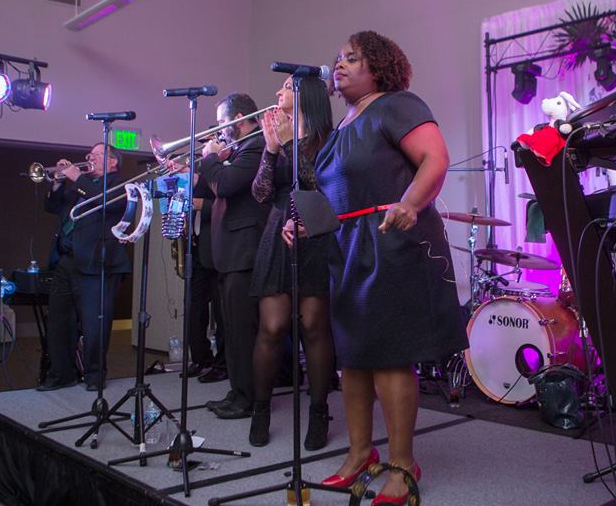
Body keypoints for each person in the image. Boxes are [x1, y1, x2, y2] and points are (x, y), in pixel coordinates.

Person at [286, 31, 468, 506]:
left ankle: (403, 466)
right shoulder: (341, 129)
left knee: (388, 355)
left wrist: (410, 202)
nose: (340, 65)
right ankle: (359, 455)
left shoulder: (398, 105)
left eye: (352, 58)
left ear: (379, 66)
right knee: (354, 357)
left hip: (391, 239)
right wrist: (304, 223)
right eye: (338, 58)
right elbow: (335, 196)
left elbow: (435, 158)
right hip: (346, 248)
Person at [247, 75, 335, 449]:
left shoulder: (327, 139)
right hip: (277, 230)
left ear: (304, 94)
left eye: (285, 86)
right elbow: (261, 193)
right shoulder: (276, 136)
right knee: (272, 326)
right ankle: (260, 410)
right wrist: (270, 151)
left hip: (313, 229)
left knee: (314, 326)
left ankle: (319, 411)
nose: (277, 92)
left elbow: (320, 185)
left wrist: (287, 144)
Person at [198, 93, 270, 419]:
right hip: (230, 252)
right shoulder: (240, 148)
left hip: (245, 251)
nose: (219, 129)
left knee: (244, 331)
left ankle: (248, 398)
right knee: (232, 330)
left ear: (238, 118)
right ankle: (237, 391)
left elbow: (225, 185)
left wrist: (211, 158)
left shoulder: (255, 146)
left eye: (222, 121)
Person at [38, 144, 130, 392]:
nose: (89, 158)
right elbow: (53, 207)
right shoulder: (81, 186)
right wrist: (57, 183)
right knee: (59, 321)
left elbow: (106, 202)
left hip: (97, 263)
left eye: (96, 155)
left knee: (94, 323)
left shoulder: (119, 184)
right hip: (66, 260)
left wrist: (77, 177)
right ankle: (61, 374)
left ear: (112, 162)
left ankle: (94, 375)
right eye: (89, 155)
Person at [184, 192, 228, 384]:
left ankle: (223, 365)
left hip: (218, 252)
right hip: (196, 252)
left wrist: (205, 205)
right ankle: (200, 358)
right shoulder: (190, 185)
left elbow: (231, 206)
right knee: (194, 309)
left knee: (221, 313)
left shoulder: (214, 178)